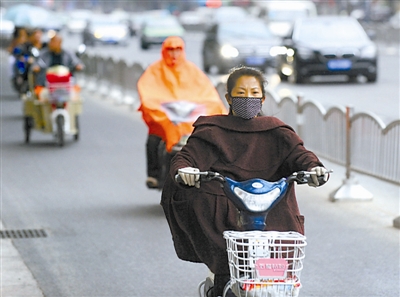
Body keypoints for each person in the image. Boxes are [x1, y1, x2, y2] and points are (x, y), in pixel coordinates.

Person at [161, 66, 329, 297]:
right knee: (226, 257)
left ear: (263, 98)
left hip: (272, 210)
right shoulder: (212, 131)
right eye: (240, 93)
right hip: (225, 207)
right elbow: (187, 157)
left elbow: (299, 155)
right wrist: (186, 171)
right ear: (228, 97)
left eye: (253, 93)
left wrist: (314, 169)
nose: (247, 98)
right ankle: (219, 285)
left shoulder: (277, 131)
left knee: (279, 263)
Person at [137, 36, 226, 189]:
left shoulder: (192, 70)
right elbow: (148, 93)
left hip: (190, 119)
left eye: (178, 50)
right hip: (168, 118)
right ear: (164, 51)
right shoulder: (154, 70)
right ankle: (154, 174)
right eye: (170, 50)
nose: (174, 54)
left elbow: (208, 94)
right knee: (153, 139)